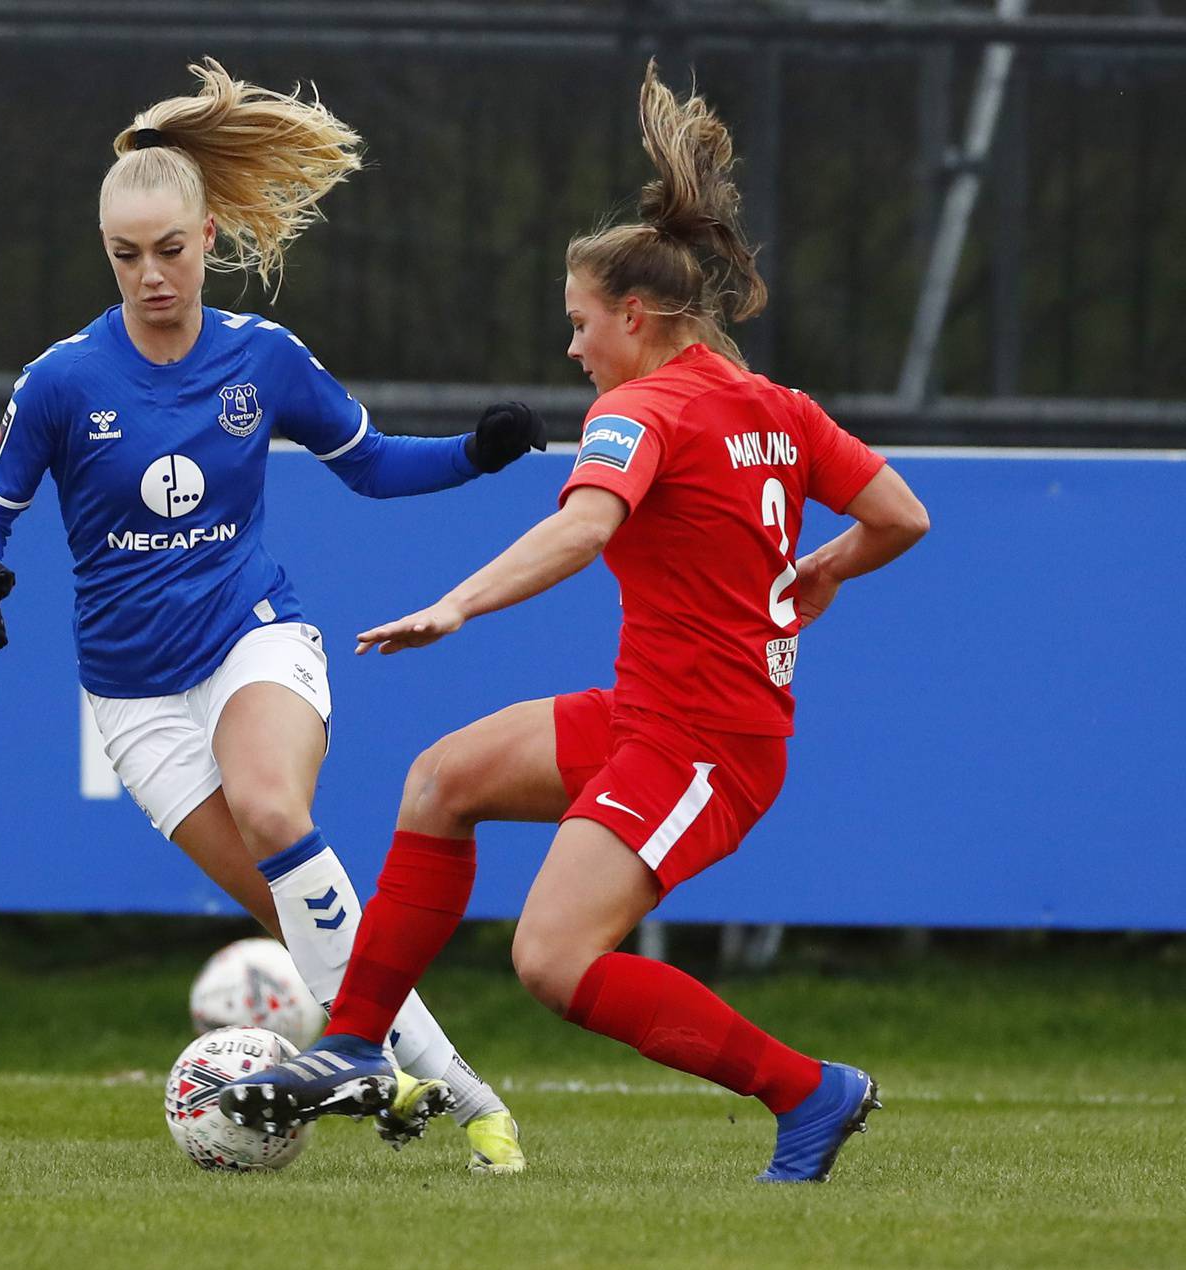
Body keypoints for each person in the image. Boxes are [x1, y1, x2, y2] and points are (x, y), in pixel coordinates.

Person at [226, 61, 930, 1185]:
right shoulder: (774, 406)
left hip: (708, 739)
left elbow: (584, 529)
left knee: (552, 958)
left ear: (634, 316)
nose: (573, 349)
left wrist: (456, 603)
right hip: (656, 713)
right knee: (440, 779)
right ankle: (356, 1041)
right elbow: (902, 514)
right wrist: (821, 569)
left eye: (580, 324)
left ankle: (809, 1090)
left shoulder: (637, 404)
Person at [0, 58, 538, 1173]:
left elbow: (371, 465)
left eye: (170, 250)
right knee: (306, 930)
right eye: (127, 256)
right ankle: (470, 1103)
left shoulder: (262, 360)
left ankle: (382, 1064)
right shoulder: (63, 381)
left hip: (251, 632)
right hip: (135, 702)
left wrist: (476, 453)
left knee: (274, 805)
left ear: (210, 236)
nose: (151, 275)